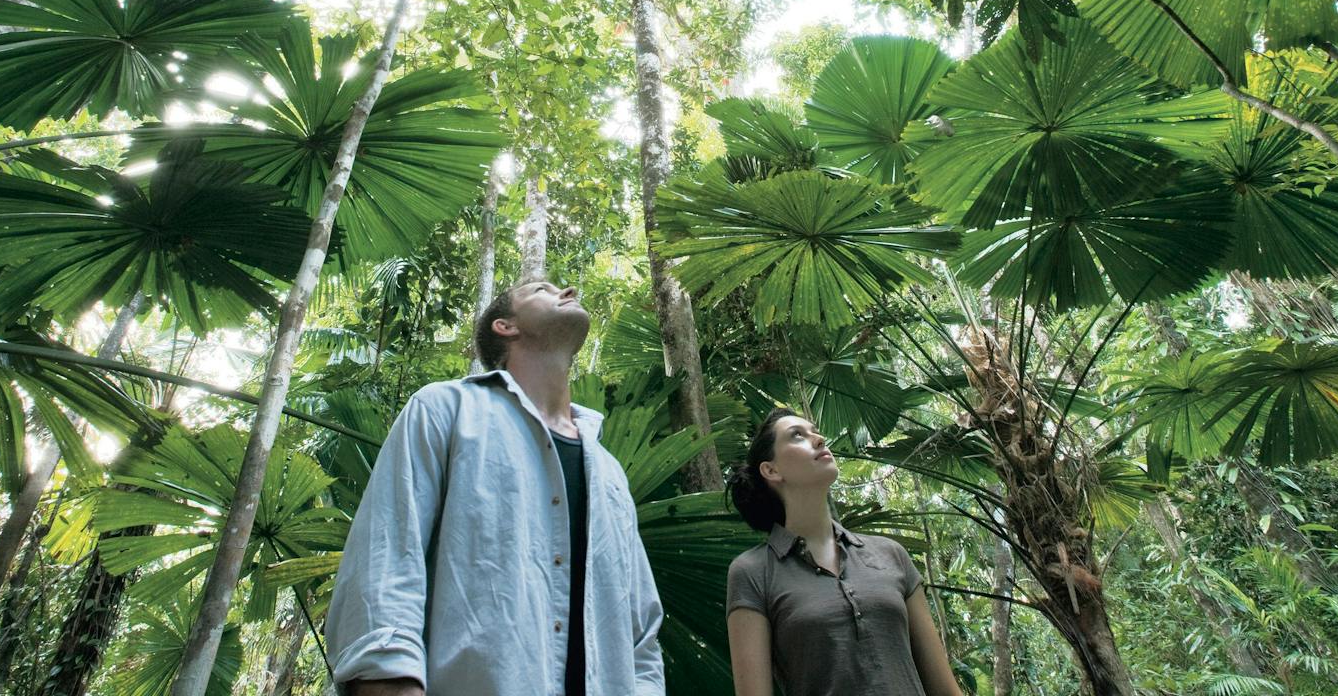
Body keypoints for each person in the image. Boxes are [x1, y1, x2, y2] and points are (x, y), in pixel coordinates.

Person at [325, 278, 665, 696]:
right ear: (505, 326)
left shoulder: (610, 471)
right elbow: (388, 551)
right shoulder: (445, 410)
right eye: (542, 289)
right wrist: (389, 679)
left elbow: (641, 625)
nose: (568, 289)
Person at [724, 408, 964, 696]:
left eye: (815, 431)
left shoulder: (891, 554)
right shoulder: (753, 572)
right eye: (797, 436)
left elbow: (944, 688)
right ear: (771, 470)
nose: (819, 439)